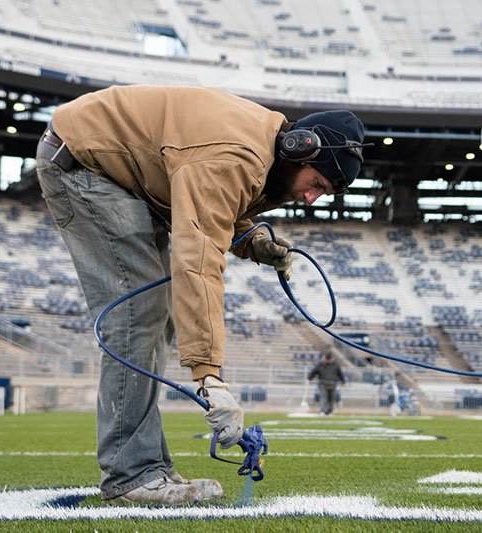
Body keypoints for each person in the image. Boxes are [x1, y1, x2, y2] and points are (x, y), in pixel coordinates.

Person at [35, 85, 367, 505]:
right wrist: (209, 376)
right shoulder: (238, 157)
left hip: (120, 172)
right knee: (138, 313)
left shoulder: (260, 150)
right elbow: (198, 258)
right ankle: (130, 474)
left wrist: (251, 238)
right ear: (299, 149)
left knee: (156, 317)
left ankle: (148, 465)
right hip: (84, 164)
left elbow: (212, 205)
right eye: (316, 182)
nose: (310, 197)